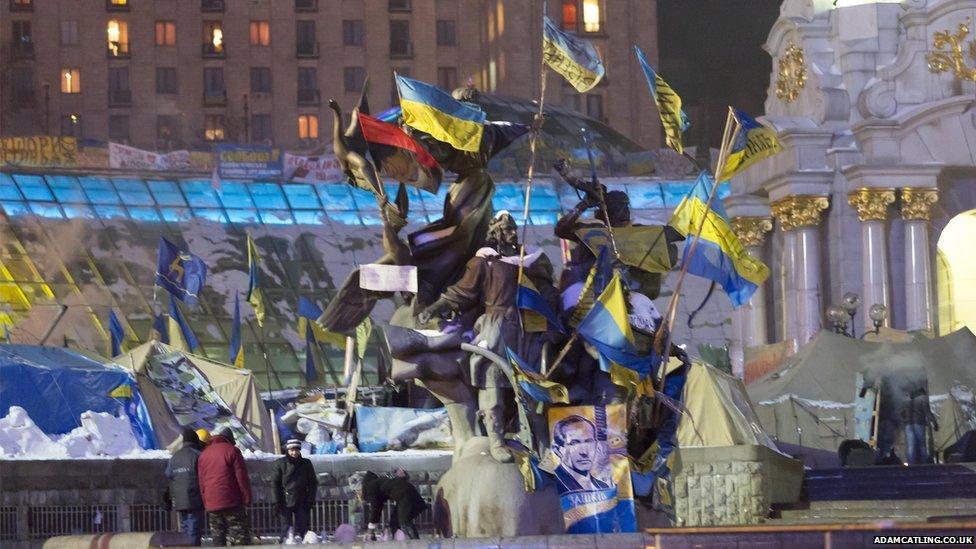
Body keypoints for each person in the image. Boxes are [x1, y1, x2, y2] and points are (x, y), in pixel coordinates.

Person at [417, 211, 560, 461]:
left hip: (528, 327)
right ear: (495, 233)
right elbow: (461, 293)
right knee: (492, 380)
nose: (512, 233)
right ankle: (496, 439)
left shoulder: (532, 259)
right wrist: (433, 308)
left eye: (513, 228)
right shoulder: (485, 262)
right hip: (496, 326)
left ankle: (541, 442)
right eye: (506, 229)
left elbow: (547, 292)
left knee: (532, 386)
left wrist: (550, 324)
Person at [197, 428, 252, 546]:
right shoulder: (233, 451)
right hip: (232, 501)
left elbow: (202, 482)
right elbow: (241, 478)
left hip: (212, 503)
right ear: (229, 440)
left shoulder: (204, 454)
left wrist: (206, 502)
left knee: (217, 536)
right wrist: (247, 499)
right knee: (239, 535)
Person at [271, 439, 319, 541]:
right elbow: (275, 483)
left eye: (297, 449)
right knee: (286, 529)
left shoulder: (306, 463)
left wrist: (310, 499)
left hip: (301, 499)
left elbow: (313, 483)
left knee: (303, 528)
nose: (294, 452)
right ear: (288, 450)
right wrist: (276, 502)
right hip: (285, 500)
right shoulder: (280, 463)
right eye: (292, 450)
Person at [165, 428, 205, 546]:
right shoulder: (197, 455)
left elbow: (168, 474)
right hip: (194, 498)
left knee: (184, 528)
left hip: (178, 499)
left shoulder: (175, 457)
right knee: (193, 528)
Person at [360, 471, 427, 540]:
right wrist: (372, 527)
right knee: (394, 521)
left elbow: (375, 507)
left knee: (404, 522)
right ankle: (397, 542)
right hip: (406, 494)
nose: (358, 496)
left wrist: (371, 528)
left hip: (405, 496)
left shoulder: (369, 487)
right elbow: (378, 507)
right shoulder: (377, 483)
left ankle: (416, 544)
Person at [552, 415, 610, 493]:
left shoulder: (603, 486)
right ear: (557, 450)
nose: (584, 452)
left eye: (589, 441)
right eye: (574, 443)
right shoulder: (554, 484)